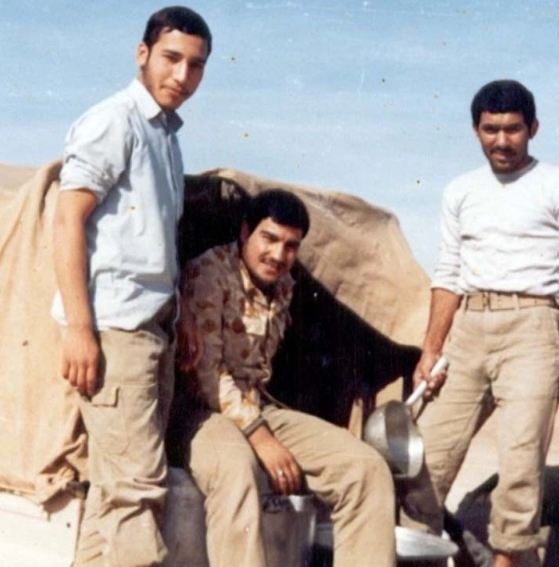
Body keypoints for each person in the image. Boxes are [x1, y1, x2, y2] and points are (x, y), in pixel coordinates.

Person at [411, 80, 559, 567]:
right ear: (475, 130)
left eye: (513, 129)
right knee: (423, 458)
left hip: (532, 326)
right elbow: (448, 272)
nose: (502, 140)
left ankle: (506, 562)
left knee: (520, 461)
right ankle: (415, 555)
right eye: (490, 129)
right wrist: (431, 349)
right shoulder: (461, 190)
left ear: (533, 128)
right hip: (468, 327)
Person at [51, 6, 211, 567]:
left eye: (196, 66)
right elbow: (67, 219)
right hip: (114, 329)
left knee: (114, 496)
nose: (182, 76)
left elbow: (151, 241)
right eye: (171, 58)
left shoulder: (164, 136)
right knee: (137, 495)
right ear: (142, 54)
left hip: (151, 328)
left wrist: (179, 314)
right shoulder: (113, 121)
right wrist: (80, 328)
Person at [170, 189, 397, 567]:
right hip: (198, 411)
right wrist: (260, 437)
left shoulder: (284, 285)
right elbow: (205, 376)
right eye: (269, 239)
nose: (278, 255)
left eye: (291, 246)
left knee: (366, 468)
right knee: (236, 469)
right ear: (246, 232)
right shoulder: (210, 272)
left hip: (255, 405)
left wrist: (261, 429)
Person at [446, 464, 559, 567]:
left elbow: (498, 476)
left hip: (468, 515)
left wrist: (467, 505)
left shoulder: (556, 482)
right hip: (490, 523)